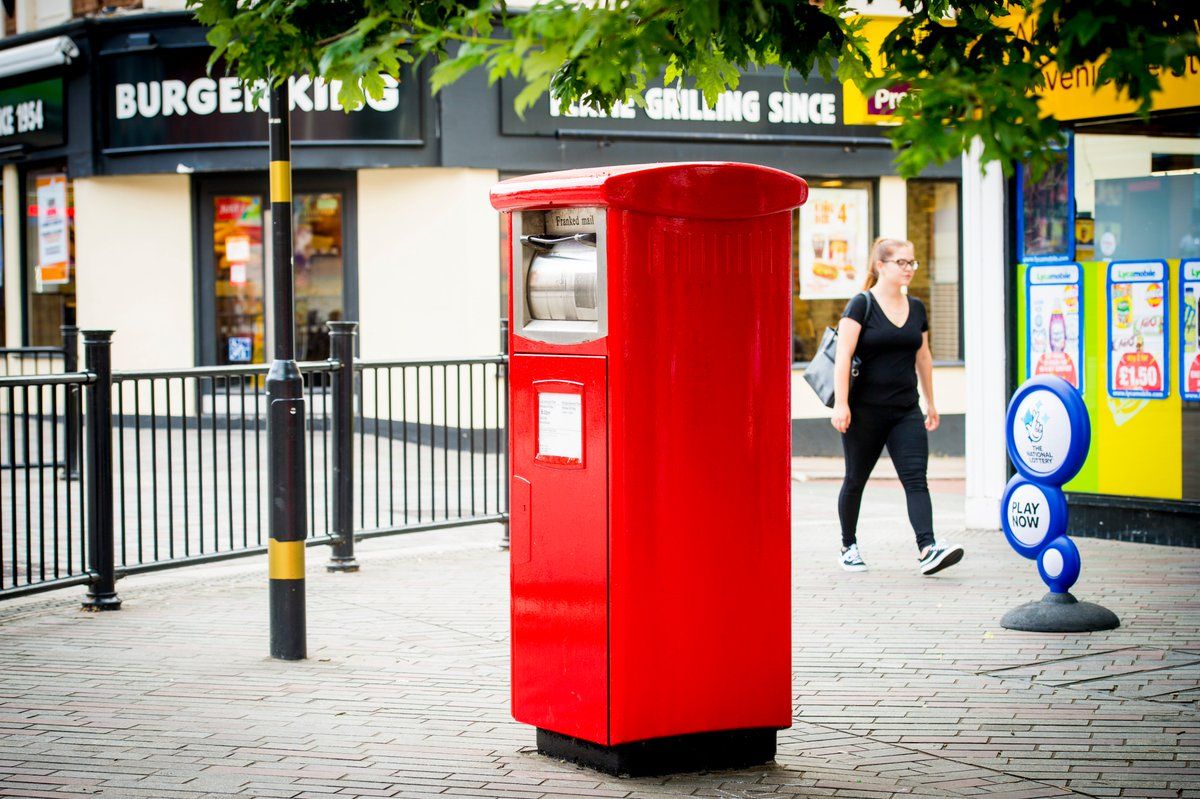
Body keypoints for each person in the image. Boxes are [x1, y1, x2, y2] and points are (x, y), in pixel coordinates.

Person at [831, 237, 964, 575]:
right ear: (880, 267)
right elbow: (843, 356)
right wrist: (842, 404)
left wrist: (931, 402)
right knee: (855, 479)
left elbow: (923, 356)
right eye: (901, 262)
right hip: (864, 412)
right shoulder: (861, 305)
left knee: (916, 479)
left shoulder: (917, 308)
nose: (908, 269)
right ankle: (848, 545)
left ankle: (928, 547)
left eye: (912, 263)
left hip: (906, 410)